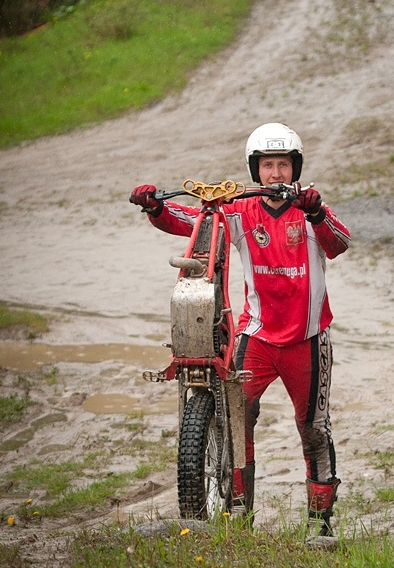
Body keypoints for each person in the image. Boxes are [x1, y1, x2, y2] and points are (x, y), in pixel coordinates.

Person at [130, 122, 350, 538]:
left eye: (283, 165)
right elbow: (193, 220)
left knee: (314, 429)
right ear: (256, 170)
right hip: (257, 339)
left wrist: (317, 211)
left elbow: (340, 242)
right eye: (268, 166)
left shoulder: (310, 210)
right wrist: (155, 208)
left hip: (308, 341)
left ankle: (320, 524)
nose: (276, 174)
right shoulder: (241, 212)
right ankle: (239, 515)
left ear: (295, 167)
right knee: (236, 419)